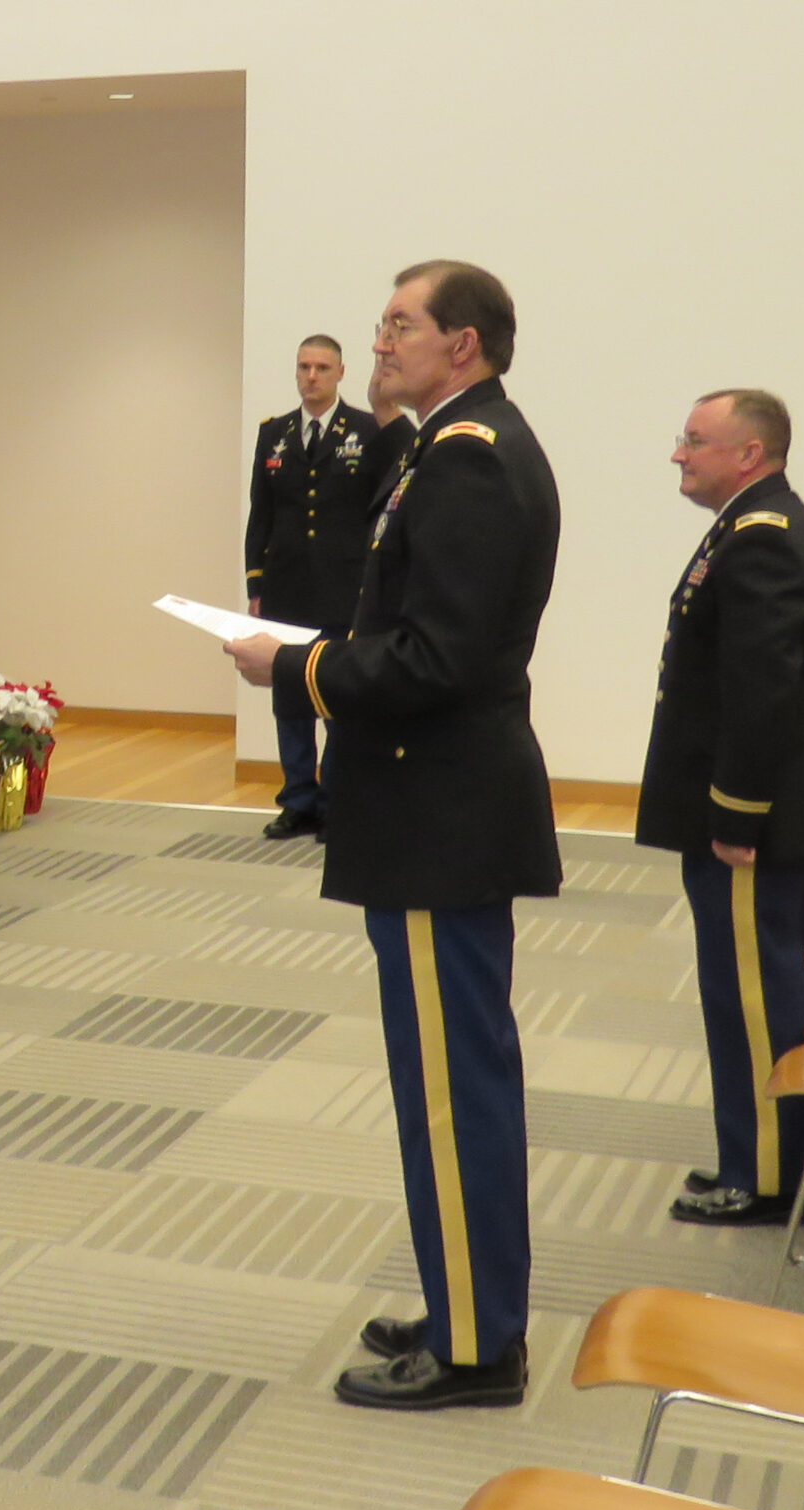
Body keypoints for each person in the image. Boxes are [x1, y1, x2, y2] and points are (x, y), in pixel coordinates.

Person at [227, 261, 561, 1411]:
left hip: (437, 815)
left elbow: (436, 659)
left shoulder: (468, 459)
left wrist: (296, 666)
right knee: (447, 1080)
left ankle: (476, 1346)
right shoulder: (453, 443)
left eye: (399, 325)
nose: (378, 343)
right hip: (436, 810)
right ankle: (466, 1302)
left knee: (452, 1092)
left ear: (460, 344)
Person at [641, 390, 804, 1224]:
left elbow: (761, 694)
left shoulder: (763, 538)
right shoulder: (750, 525)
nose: (679, 452)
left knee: (754, 995)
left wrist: (734, 815)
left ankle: (769, 1176)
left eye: (696, 440)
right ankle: (758, 1154)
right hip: (758, 804)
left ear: (750, 453)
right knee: (749, 986)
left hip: (753, 814)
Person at [244, 336, 405, 840]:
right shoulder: (275, 433)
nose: (311, 376)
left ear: (340, 373)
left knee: (337, 699)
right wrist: (255, 584)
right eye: (304, 367)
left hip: (344, 589)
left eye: (322, 368)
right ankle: (298, 801)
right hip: (286, 590)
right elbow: (261, 514)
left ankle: (337, 801)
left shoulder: (365, 430)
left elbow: (384, 508)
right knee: (290, 702)